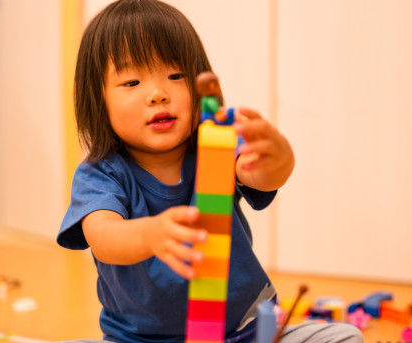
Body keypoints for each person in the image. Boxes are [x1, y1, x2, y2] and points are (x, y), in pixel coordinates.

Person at [57, 1, 363, 342]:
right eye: (131, 82)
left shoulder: (215, 147)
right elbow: (104, 238)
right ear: (97, 101)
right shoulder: (101, 174)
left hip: (242, 330)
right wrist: (151, 234)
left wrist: (278, 154)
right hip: (141, 339)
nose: (158, 94)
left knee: (344, 337)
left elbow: (263, 176)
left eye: (176, 76)